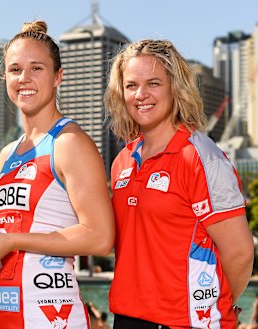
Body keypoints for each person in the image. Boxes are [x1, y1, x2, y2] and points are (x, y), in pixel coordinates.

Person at [0, 21, 115, 328]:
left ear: (58, 76)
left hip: (50, 317)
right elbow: (9, 233)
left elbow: (101, 237)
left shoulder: (70, 143)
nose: (25, 78)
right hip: (1, 313)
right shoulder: (8, 153)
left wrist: (8, 243)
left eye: (37, 68)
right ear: (4, 77)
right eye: (15, 69)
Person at [104, 39, 254, 328]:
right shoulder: (121, 161)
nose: (141, 95)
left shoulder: (201, 157)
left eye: (154, 83)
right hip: (127, 319)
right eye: (131, 85)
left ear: (175, 87)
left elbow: (240, 253)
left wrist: (216, 306)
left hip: (185, 322)